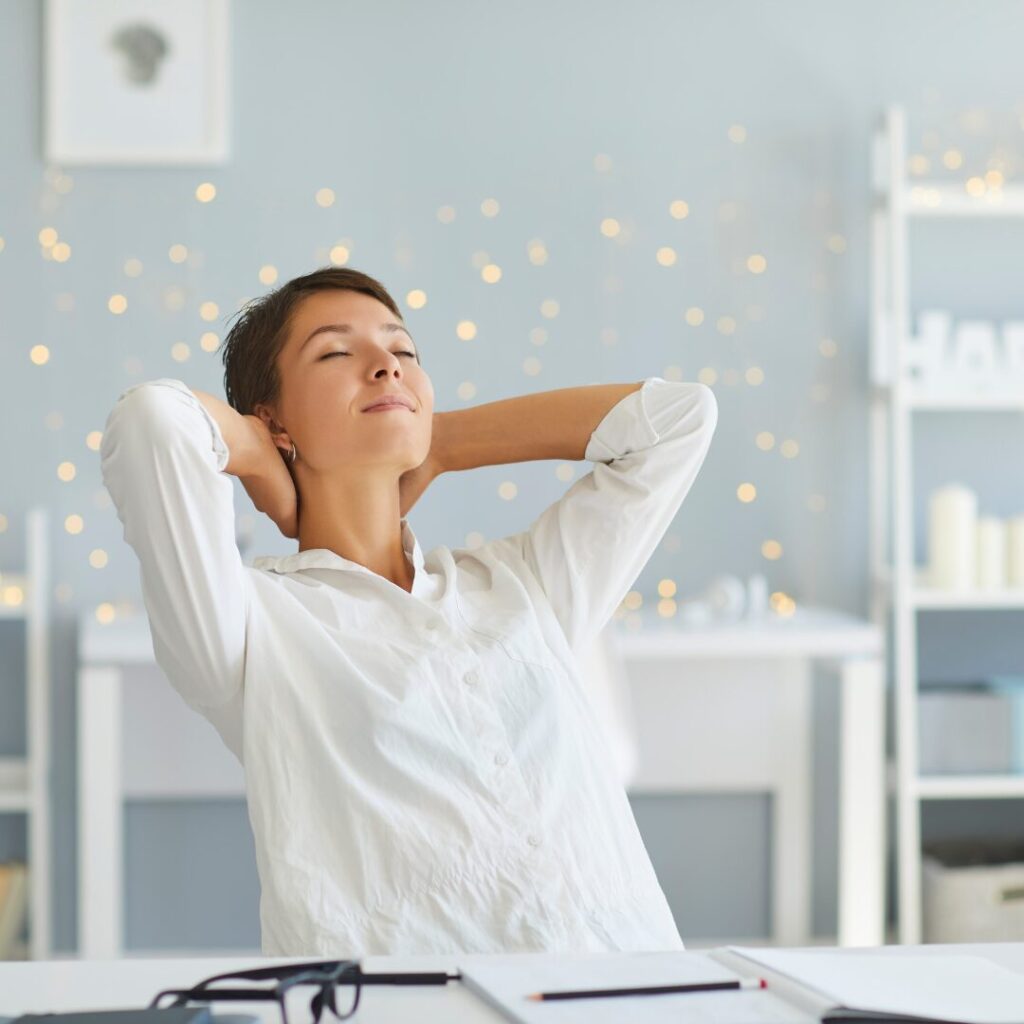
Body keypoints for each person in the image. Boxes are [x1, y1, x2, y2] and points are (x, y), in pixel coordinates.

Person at [100, 266, 718, 957]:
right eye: (336, 352)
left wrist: (447, 442)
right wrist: (253, 456)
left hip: (637, 990)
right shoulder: (250, 629)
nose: (386, 368)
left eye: (405, 353)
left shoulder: (524, 587)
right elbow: (150, 422)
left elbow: (679, 420)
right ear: (273, 419)